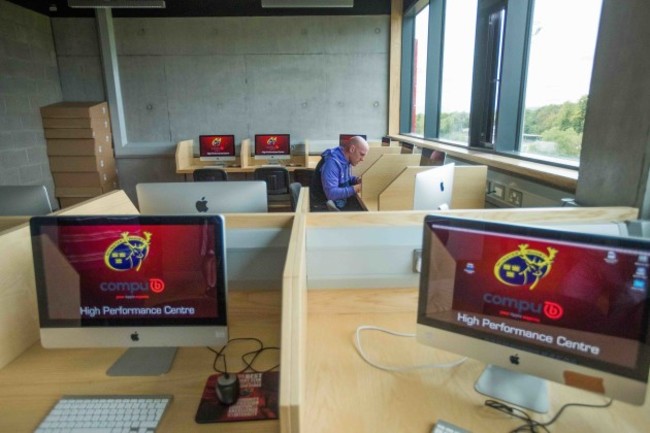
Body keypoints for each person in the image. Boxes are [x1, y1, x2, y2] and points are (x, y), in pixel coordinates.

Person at [310, 135, 369, 211]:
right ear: (352, 149)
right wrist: (357, 188)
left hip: (335, 204)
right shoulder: (332, 163)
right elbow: (331, 194)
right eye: (362, 154)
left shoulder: (344, 158)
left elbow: (342, 178)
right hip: (324, 209)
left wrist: (356, 180)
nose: (362, 159)